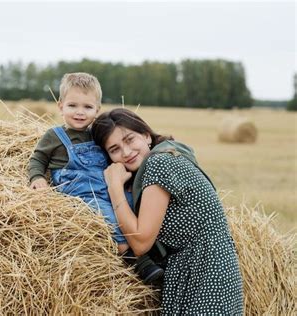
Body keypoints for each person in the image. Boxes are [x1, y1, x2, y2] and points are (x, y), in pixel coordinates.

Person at [91, 108, 243, 314]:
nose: (126, 152)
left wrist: (114, 187)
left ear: (146, 135)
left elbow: (140, 242)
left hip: (206, 275)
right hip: (202, 271)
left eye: (129, 140)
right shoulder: (168, 156)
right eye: (115, 149)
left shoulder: (159, 163)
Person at [28, 72, 164, 284]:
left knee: (130, 204)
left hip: (105, 185)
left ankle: (149, 247)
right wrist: (37, 177)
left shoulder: (98, 135)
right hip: (79, 190)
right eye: (73, 106)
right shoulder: (54, 136)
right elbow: (38, 158)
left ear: (97, 110)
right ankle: (136, 260)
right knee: (109, 216)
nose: (80, 113)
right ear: (60, 105)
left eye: (87, 107)